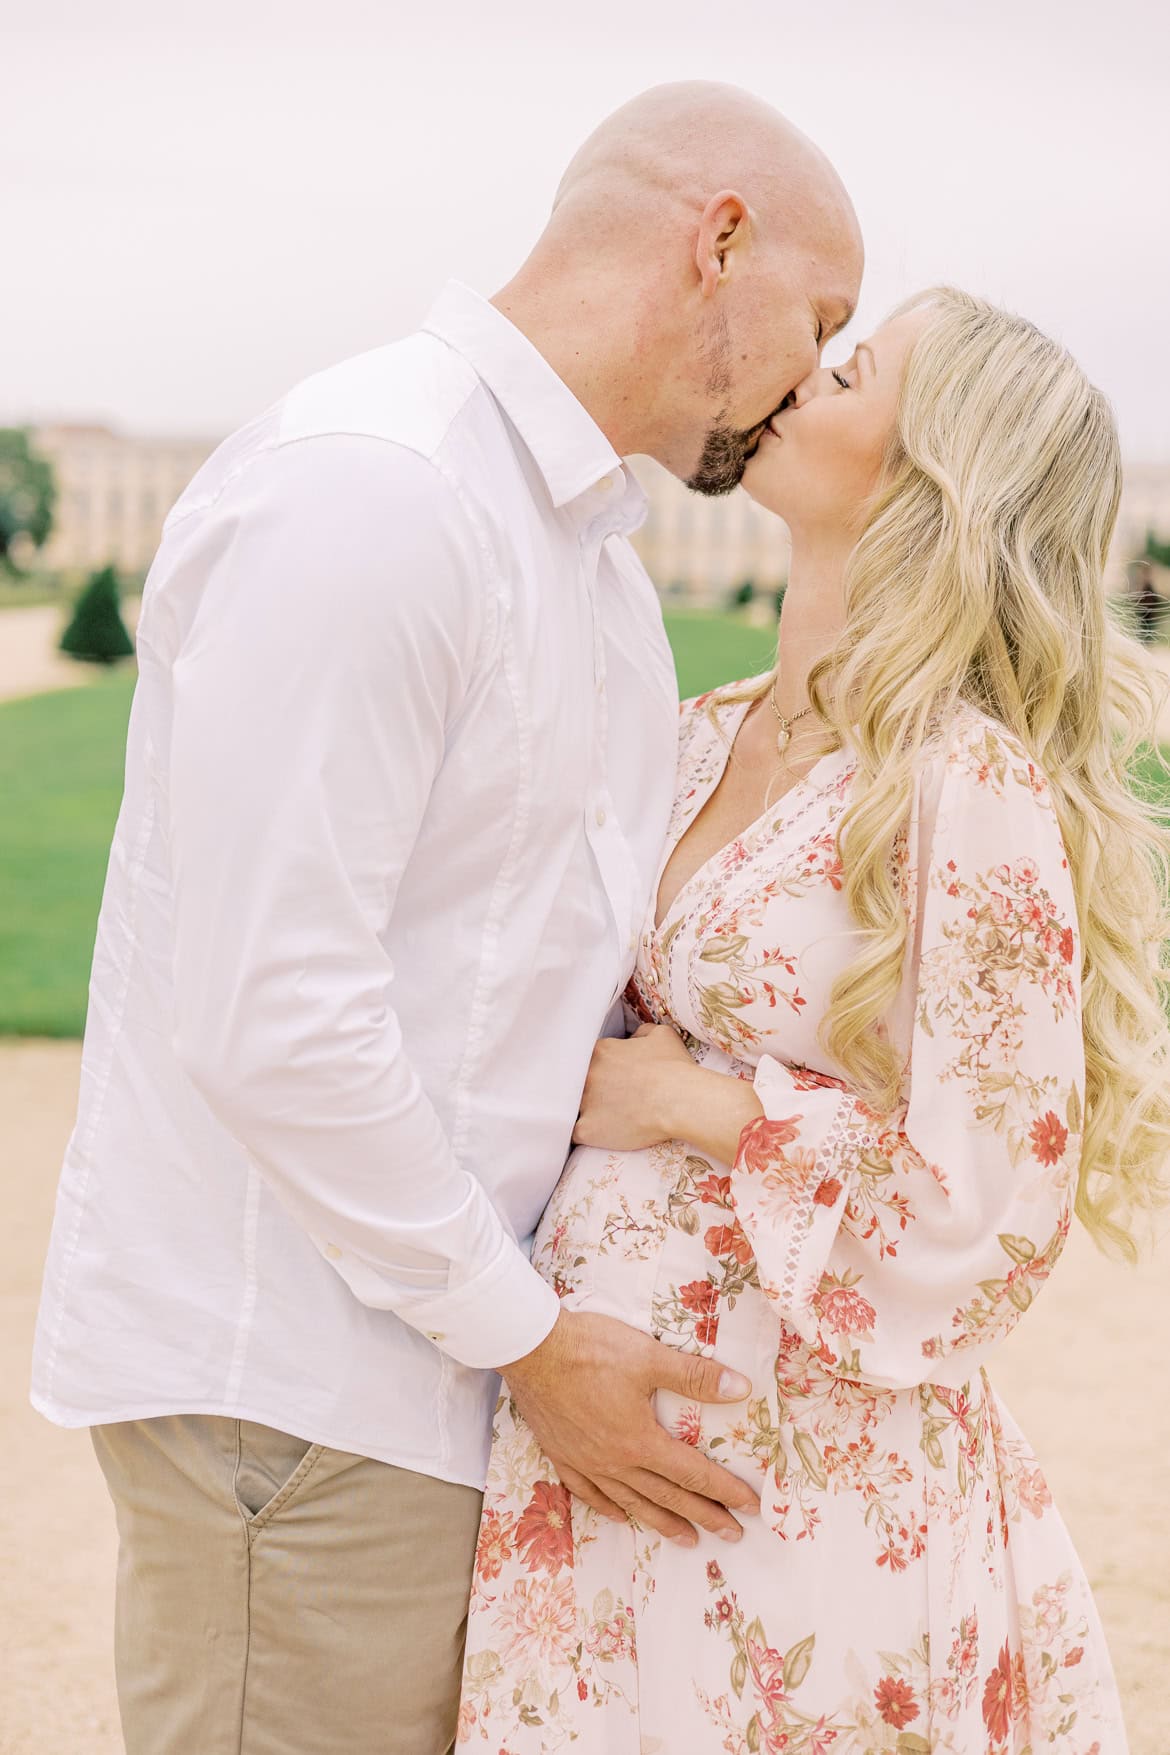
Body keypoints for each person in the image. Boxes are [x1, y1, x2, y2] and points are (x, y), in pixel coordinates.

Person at [28, 83, 862, 1755]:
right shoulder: (378, 493)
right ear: (718, 244)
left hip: (418, 1375)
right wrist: (534, 1342)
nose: (809, 381)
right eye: (818, 321)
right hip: (302, 1397)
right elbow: (275, 1014)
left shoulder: (591, 568)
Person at [456, 290, 1170, 1752]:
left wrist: (686, 1106)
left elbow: (988, 1202)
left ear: (934, 471)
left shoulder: (960, 788)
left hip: (802, 1479)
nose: (799, 378)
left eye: (852, 373)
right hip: (593, 1441)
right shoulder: (699, 729)